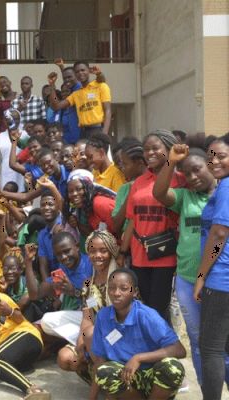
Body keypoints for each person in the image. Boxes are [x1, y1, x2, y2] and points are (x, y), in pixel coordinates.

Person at [152, 143, 222, 390]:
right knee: (198, 340)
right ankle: (208, 390)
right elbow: (159, 193)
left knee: (221, 341)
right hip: (186, 279)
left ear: (210, 166)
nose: (193, 177)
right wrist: (170, 161)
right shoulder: (185, 197)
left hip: (219, 281)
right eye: (187, 174)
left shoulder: (224, 195)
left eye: (197, 170)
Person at [92, 269, 186, 400]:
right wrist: (92, 397)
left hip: (153, 378)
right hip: (127, 379)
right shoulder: (103, 316)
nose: (116, 293)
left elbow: (179, 350)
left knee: (173, 367)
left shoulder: (147, 315)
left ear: (135, 292)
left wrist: (139, 358)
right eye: (112, 288)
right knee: (104, 371)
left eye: (123, 288)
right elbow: (100, 360)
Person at [121, 129, 184, 321]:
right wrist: (123, 251)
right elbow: (133, 219)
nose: (150, 153)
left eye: (155, 148)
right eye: (146, 149)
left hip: (166, 256)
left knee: (159, 308)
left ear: (169, 148)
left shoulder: (180, 179)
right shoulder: (138, 182)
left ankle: (164, 348)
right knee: (147, 307)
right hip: (140, 255)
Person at [56, 230, 119, 383]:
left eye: (103, 251)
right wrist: (80, 343)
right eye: (92, 251)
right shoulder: (88, 284)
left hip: (120, 336)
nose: (97, 255)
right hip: (94, 337)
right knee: (66, 357)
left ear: (111, 251)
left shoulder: (122, 279)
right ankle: (103, 381)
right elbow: (87, 318)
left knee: (92, 339)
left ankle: (113, 383)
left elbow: (130, 321)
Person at [194, 134, 229, 399]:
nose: (215, 161)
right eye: (211, 156)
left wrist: (202, 275)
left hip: (220, 280)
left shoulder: (227, 187)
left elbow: (219, 234)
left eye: (222, 156)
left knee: (211, 348)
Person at [47, 62, 111, 138]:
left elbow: (108, 110)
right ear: (75, 75)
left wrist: (105, 133)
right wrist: (52, 86)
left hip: (98, 129)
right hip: (83, 132)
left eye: (83, 70)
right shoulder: (76, 94)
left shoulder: (101, 86)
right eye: (77, 72)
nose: (80, 73)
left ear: (89, 71)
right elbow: (56, 106)